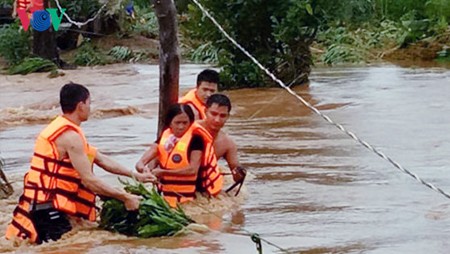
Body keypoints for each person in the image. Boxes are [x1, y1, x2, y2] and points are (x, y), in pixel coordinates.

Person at [5, 82, 155, 244]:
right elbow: (88, 180)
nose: (91, 108)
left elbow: (101, 159)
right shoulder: (70, 137)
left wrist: (136, 176)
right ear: (81, 105)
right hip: (49, 210)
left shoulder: (61, 127)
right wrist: (125, 197)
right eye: (89, 103)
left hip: (41, 206)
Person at [135, 104, 223, 207]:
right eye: (177, 123)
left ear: (190, 123)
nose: (181, 127)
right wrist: (143, 168)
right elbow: (143, 160)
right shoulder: (165, 138)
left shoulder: (196, 140)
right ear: (170, 123)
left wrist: (163, 172)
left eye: (185, 123)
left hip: (191, 195)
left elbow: (192, 170)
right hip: (166, 195)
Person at [197, 94, 247, 189]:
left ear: (228, 117)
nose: (217, 120)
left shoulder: (227, 144)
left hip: (203, 185)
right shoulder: (190, 130)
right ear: (205, 111)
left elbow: (236, 172)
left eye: (222, 116)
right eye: (213, 114)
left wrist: (240, 174)